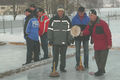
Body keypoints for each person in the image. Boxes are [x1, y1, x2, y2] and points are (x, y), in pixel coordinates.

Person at [81, 9, 112, 76]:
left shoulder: (102, 23)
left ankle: (100, 71)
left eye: (91, 15)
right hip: (97, 45)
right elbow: (87, 31)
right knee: (97, 58)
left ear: (95, 15)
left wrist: (109, 43)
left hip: (104, 45)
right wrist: (82, 33)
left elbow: (108, 34)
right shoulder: (90, 24)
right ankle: (101, 70)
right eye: (89, 16)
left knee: (102, 59)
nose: (90, 17)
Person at [48, 8, 72, 72]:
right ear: (57, 12)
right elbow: (50, 30)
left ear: (63, 12)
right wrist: (50, 39)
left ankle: (62, 67)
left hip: (64, 41)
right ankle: (54, 68)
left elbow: (69, 30)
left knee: (63, 56)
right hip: (55, 41)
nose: (60, 12)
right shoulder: (53, 19)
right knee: (55, 56)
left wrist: (69, 39)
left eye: (61, 11)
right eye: (59, 11)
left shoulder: (67, 19)